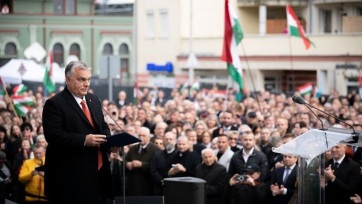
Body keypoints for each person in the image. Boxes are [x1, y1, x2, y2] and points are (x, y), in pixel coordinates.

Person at [42, 61, 113, 204]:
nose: (87, 84)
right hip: (71, 180)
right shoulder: (55, 104)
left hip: (98, 176)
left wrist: (110, 143)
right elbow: (53, 136)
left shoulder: (94, 100)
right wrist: (84, 140)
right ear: (68, 80)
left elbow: (102, 126)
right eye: (81, 79)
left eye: (88, 79)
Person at [125, 127, 159, 196]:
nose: (141, 137)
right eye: (140, 135)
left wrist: (142, 165)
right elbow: (125, 160)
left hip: (147, 185)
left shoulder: (155, 150)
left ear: (149, 137)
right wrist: (127, 164)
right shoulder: (133, 148)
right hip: (133, 184)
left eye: (144, 136)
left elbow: (156, 167)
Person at [150, 131, 178, 195]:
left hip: (175, 188)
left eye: (170, 139)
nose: (168, 141)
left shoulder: (178, 155)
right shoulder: (157, 155)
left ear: (175, 141)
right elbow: (153, 170)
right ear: (163, 141)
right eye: (166, 139)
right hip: (159, 188)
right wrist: (162, 181)